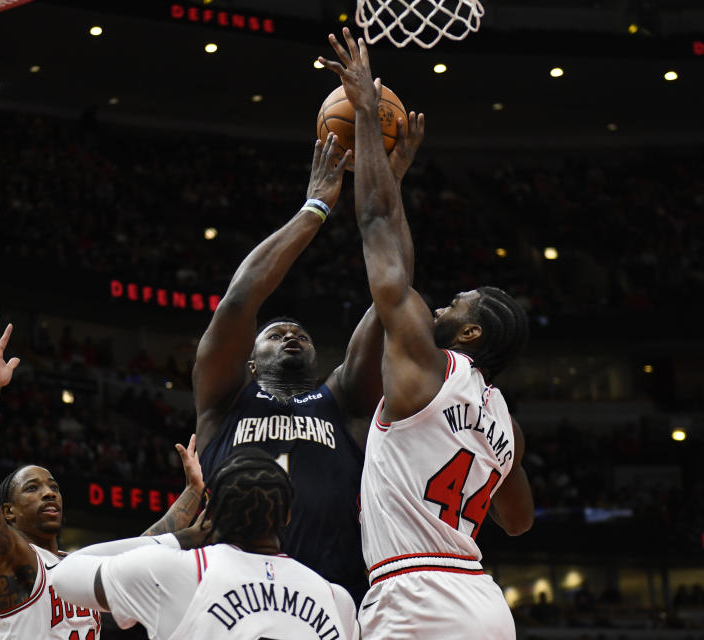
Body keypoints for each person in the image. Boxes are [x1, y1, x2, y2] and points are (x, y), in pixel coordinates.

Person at [320, 28, 535, 639]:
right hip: (484, 601)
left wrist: (365, 113)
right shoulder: (505, 422)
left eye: (454, 303)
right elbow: (517, 522)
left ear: (468, 332)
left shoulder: (427, 366)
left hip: (414, 595)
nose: (438, 303)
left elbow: (377, 223)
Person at [194, 123, 423, 603]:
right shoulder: (225, 398)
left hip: (332, 598)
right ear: (249, 363)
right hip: (232, 595)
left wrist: (389, 188)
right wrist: (315, 207)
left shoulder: (342, 401)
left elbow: (393, 296)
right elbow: (239, 301)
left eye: (299, 334)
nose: (291, 336)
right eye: (275, 335)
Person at [0, 314, 205, 639]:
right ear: (8, 512)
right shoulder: (14, 563)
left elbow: (149, 545)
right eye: (32, 488)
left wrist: (193, 489)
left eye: (54, 487)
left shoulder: (82, 564)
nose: (49, 493)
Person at [50, 448, 360, 639]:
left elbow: (65, 573)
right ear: (288, 515)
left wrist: (180, 538)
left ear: (210, 514)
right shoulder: (337, 599)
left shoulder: (177, 572)